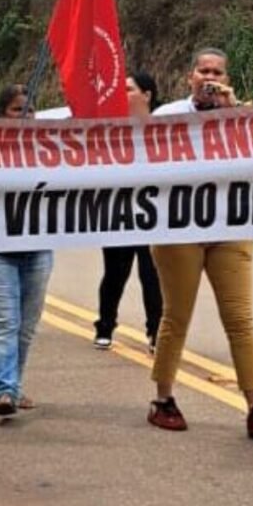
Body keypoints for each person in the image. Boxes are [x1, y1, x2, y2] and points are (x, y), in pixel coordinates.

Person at [147, 47, 253, 440]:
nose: (210, 78)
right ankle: (164, 398)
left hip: (230, 229)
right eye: (203, 71)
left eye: (217, 72)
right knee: (176, 316)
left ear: (227, 78)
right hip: (180, 231)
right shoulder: (168, 117)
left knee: (240, 319)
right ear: (190, 77)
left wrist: (232, 111)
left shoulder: (242, 115)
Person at [0, 84, 53, 417]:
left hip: (37, 247)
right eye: (17, 109)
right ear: (2, 113)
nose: (25, 116)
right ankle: (3, 390)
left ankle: (14, 384)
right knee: (4, 322)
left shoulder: (50, 148)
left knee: (26, 325)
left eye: (30, 110)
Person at [93, 72, 163, 352]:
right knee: (114, 273)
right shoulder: (112, 127)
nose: (122, 94)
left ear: (147, 95)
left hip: (154, 214)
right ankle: (105, 326)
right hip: (120, 210)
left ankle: (156, 331)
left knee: (153, 275)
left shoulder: (166, 126)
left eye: (129, 89)